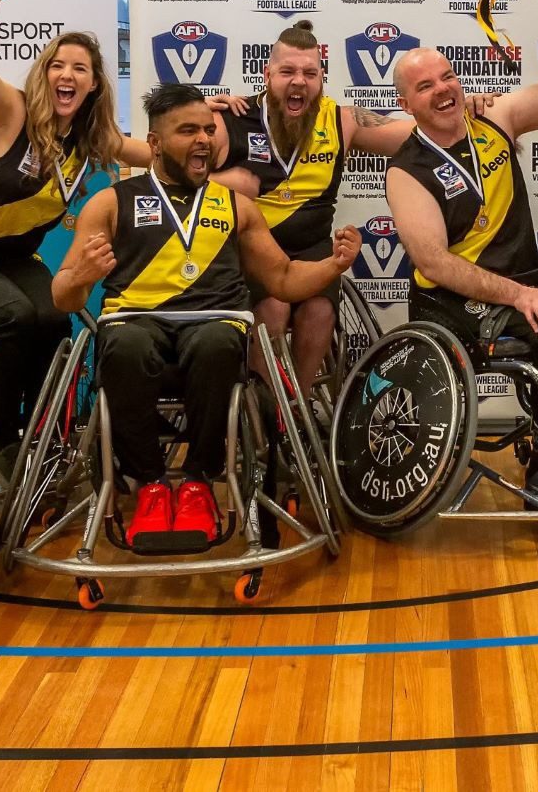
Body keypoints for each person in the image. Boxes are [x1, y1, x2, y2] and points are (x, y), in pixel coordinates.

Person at [51, 84, 359, 548]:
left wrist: (333, 265)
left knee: (218, 343)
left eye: (209, 130)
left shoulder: (234, 205)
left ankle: (198, 483)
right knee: (127, 345)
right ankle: (150, 485)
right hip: (135, 324)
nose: (204, 140)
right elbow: (62, 297)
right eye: (188, 130)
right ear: (154, 143)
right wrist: (81, 277)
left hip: (213, 323)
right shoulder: (113, 202)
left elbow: (283, 279)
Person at [0, 0, 147, 479]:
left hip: (10, 260)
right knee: (15, 316)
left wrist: (210, 121)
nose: (67, 74)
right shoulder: (11, 112)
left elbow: (157, 152)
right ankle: (2, 447)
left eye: (81, 67)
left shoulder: (92, 137)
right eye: (58, 65)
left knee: (54, 316)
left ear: (95, 83)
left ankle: (41, 437)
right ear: (44, 75)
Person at [383, 49, 538, 512]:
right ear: (405, 103)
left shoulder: (495, 119)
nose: (443, 90)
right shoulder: (406, 170)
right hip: (454, 305)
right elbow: (433, 262)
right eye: (425, 86)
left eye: (448, 76)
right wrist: (518, 295)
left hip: (522, 289)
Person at [203, 20, 429, 391]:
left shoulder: (340, 119)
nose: (299, 81)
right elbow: (172, 169)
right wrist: (194, 107)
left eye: (310, 72)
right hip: (250, 248)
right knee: (273, 309)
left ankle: (297, 407)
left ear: (322, 78)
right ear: (267, 74)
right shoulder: (232, 119)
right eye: (287, 71)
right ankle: (264, 408)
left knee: (320, 310)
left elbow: (414, 133)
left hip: (311, 248)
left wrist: (467, 110)